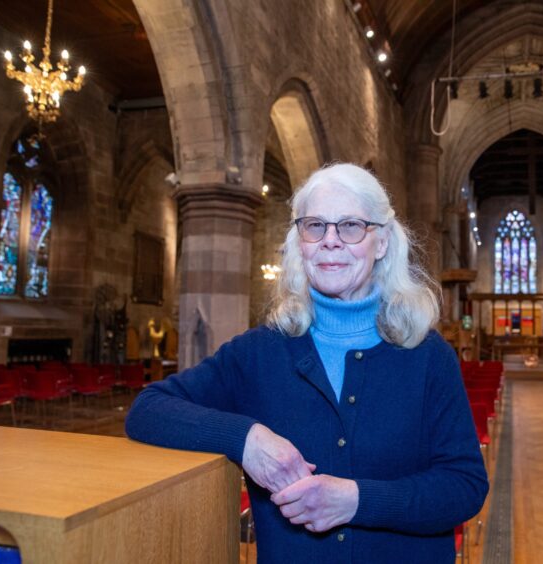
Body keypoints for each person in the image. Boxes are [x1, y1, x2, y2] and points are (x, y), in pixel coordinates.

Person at [125, 163, 489, 563]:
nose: (330, 241)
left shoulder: (428, 355)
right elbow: (147, 409)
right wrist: (245, 439)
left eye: (350, 225)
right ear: (299, 242)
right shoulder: (259, 352)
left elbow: (464, 486)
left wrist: (357, 500)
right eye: (314, 226)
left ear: (381, 242)